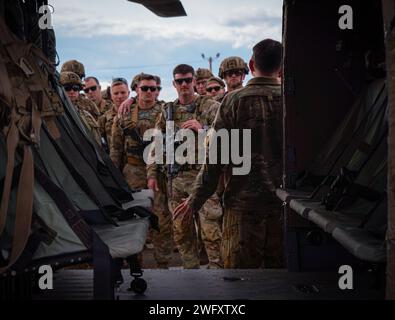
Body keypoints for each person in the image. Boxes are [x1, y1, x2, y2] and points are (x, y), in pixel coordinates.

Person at [174, 39, 285, 269]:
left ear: (252, 64)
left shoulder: (233, 101)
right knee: (282, 279)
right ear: (281, 67)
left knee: (240, 279)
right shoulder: (293, 99)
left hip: (243, 207)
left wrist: (195, 200)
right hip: (285, 206)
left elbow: (215, 159)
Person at [147, 64, 223, 269]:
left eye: (188, 80)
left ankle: (217, 275)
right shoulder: (168, 111)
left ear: (195, 82)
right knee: (182, 232)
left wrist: (203, 129)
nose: (184, 85)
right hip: (177, 180)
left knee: (211, 232)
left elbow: (225, 139)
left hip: (204, 179)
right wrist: (152, 173)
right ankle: (192, 275)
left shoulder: (210, 107)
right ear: (174, 83)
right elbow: (157, 143)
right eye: (179, 81)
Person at [110, 74, 172, 268]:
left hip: (158, 172)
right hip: (132, 171)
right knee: (133, 217)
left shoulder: (165, 111)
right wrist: (114, 177)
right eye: (144, 88)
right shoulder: (126, 113)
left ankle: (163, 263)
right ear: (136, 89)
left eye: (153, 89)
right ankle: (135, 263)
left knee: (161, 218)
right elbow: (116, 148)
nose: (149, 92)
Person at [59, 71, 101, 145]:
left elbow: (97, 142)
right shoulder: (56, 115)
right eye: (67, 88)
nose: (72, 91)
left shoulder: (86, 115)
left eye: (75, 88)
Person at [98, 78, 130, 152]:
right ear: (111, 96)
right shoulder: (104, 118)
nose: (119, 96)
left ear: (128, 93)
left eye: (123, 92)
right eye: (116, 93)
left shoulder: (138, 113)